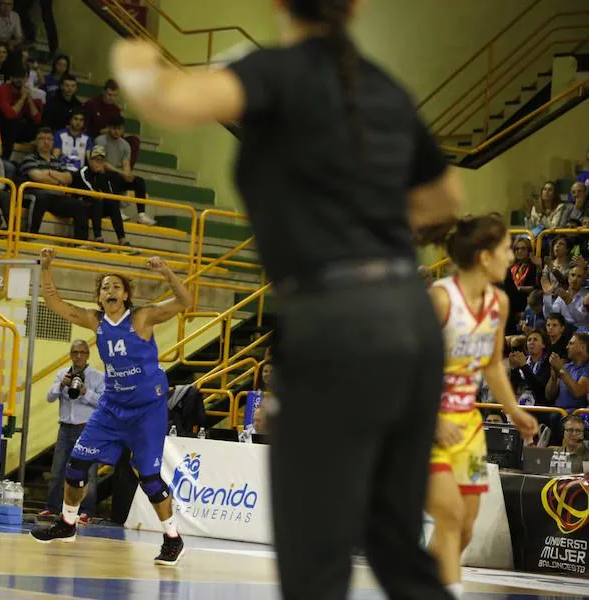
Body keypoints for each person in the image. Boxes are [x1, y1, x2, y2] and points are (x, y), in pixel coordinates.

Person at [110, 0, 477, 596]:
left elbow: (168, 100)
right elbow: (446, 198)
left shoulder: (274, 71)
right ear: (354, 8)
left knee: (315, 558)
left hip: (337, 319)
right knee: (393, 546)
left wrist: (134, 59)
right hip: (409, 317)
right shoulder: (385, 86)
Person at [30, 248, 191, 566]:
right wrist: (45, 267)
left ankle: (172, 537)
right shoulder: (96, 321)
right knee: (75, 465)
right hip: (113, 407)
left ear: (127, 294)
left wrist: (167, 272)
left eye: (116, 286)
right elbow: (55, 303)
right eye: (105, 287)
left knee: (149, 477)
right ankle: (67, 523)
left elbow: (185, 302)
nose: (111, 290)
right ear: (100, 297)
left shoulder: (142, 317)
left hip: (147, 410)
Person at [426, 216, 539, 598]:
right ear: (484, 256)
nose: (512, 256)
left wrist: (514, 409)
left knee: (466, 528)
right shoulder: (441, 299)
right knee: (450, 516)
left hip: (468, 426)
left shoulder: (500, 302)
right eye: (507, 248)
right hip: (427, 424)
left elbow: (491, 364)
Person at [44, 339, 103, 518]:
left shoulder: (97, 377)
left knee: (89, 473)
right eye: (75, 352)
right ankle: (53, 507)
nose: (78, 356)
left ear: (87, 355)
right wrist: (61, 384)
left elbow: (103, 402)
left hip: (87, 430)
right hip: (65, 428)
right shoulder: (63, 373)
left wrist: (86, 392)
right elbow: (49, 397)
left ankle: (86, 511)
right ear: (70, 355)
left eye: (82, 352)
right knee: (57, 471)